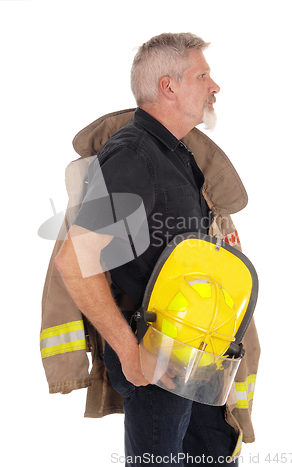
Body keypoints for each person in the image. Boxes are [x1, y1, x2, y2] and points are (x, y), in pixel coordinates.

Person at [55, 33, 245, 466]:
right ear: (168, 86)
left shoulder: (177, 155)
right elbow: (74, 262)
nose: (215, 86)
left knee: (217, 453)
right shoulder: (133, 155)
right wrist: (129, 350)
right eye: (203, 75)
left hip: (196, 358)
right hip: (158, 364)